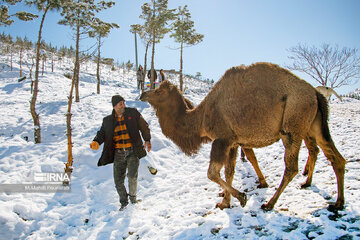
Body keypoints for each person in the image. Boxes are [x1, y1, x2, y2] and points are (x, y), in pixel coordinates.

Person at [90, 95, 152, 211]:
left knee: (132, 176)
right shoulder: (108, 121)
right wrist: (96, 141)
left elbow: (144, 126)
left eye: (124, 102)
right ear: (114, 106)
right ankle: (124, 202)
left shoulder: (133, 113)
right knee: (118, 180)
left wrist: (147, 139)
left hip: (133, 151)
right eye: (120, 104)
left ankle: (133, 199)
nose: (123, 105)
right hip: (118, 153)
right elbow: (102, 133)